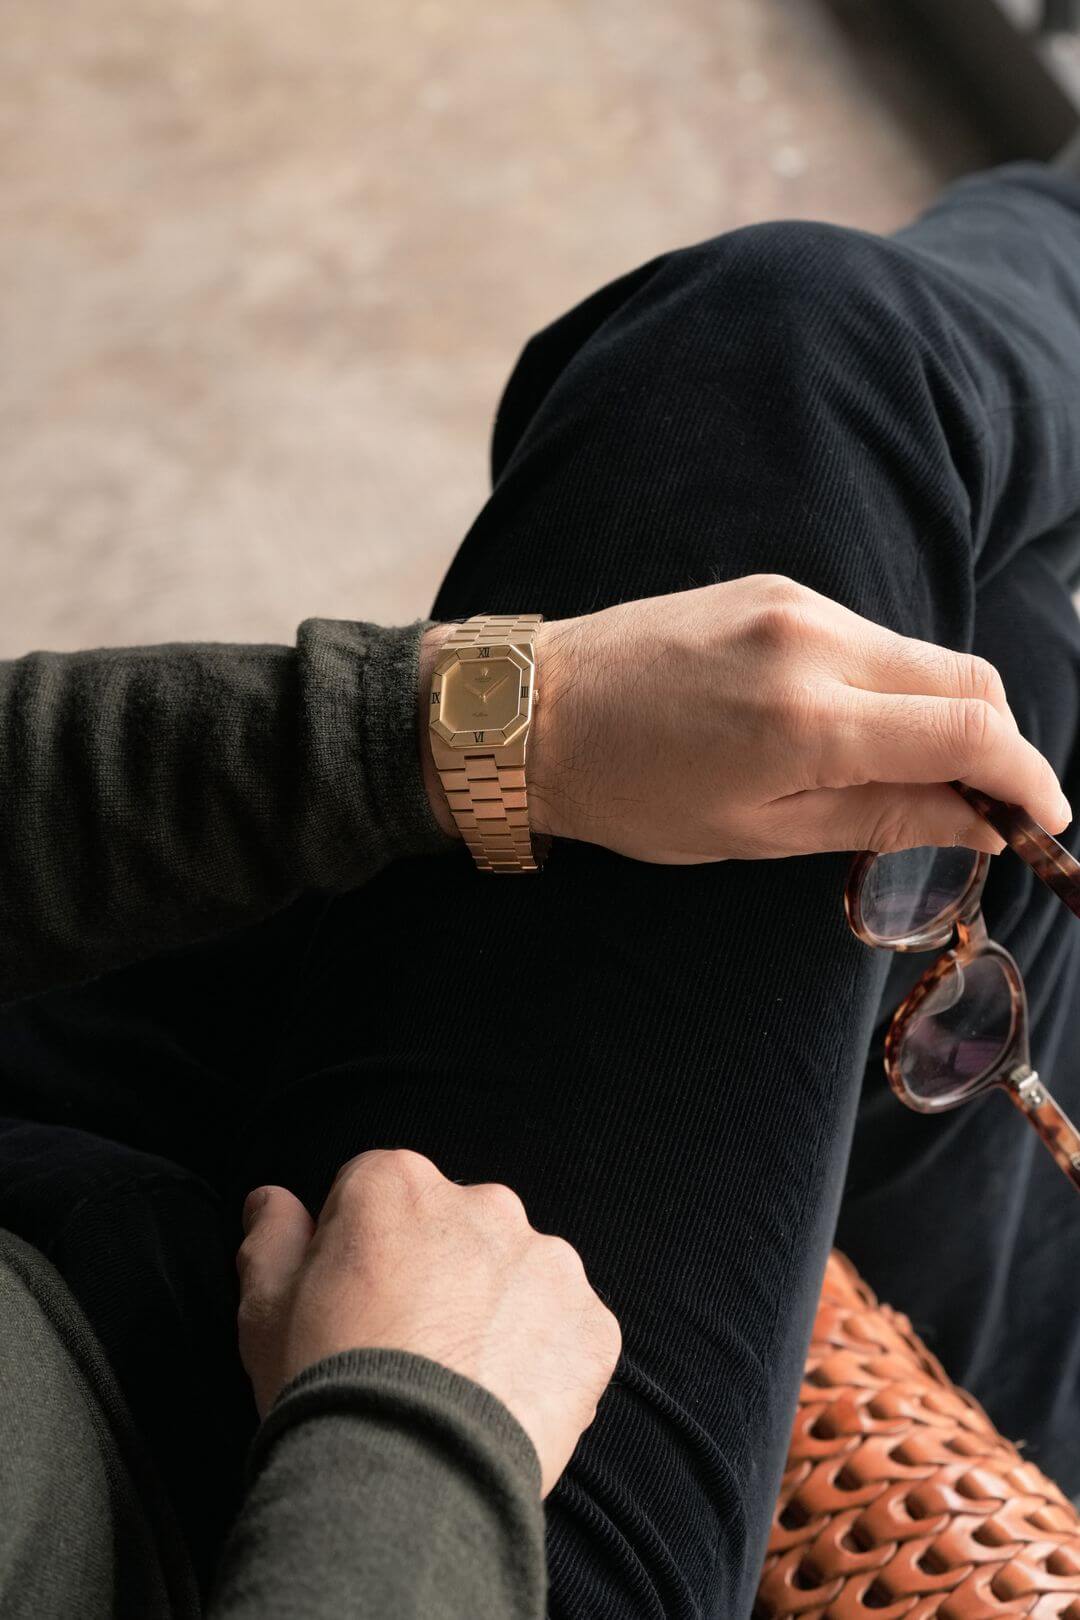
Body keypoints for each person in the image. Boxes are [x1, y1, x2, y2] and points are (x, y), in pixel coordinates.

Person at [2, 135, 1080, 1617]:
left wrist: (488, 731)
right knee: (799, 364)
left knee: (961, 676)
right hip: (374, 1525)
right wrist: (412, 1434)